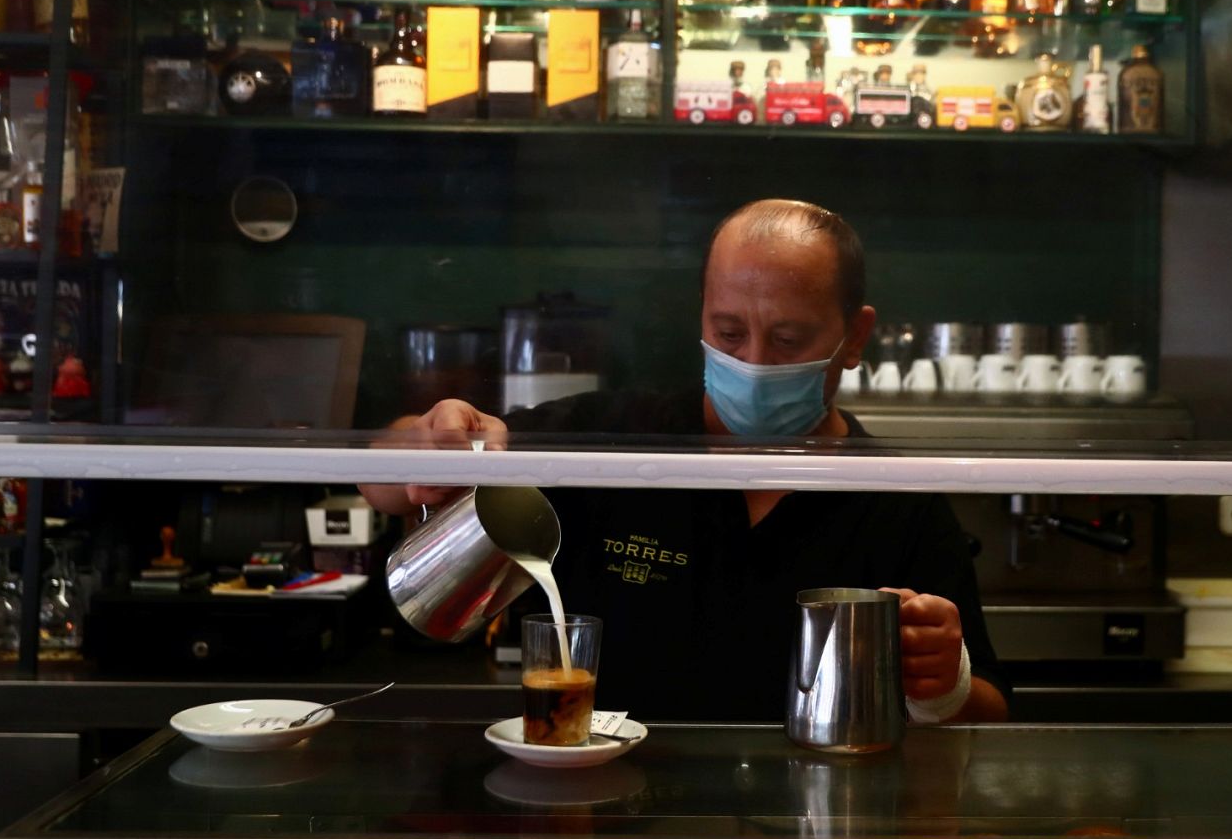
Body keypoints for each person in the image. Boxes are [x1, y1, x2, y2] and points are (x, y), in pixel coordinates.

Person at [361, 200, 1009, 723]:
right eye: (729, 333)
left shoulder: (898, 496)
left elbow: (989, 709)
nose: (753, 361)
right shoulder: (609, 438)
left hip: (813, 818)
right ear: (701, 314)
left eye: (787, 338)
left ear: (855, 337)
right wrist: (429, 441)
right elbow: (378, 478)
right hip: (608, 807)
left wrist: (943, 686)